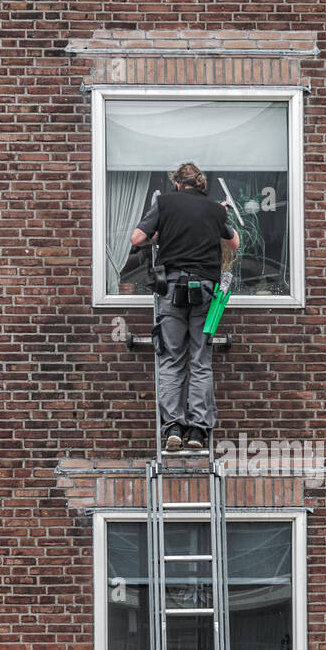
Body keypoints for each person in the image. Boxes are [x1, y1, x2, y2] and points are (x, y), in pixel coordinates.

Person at [131, 162, 239, 453]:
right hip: (205, 290)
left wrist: (158, 235)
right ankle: (198, 431)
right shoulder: (216, 210)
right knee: (201, 361)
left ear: (178, 184)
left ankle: (173, 428)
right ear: (201, 185)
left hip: (172, 290)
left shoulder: (163, 203)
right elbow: (235, 243)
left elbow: (136, 239)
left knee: (171, 360)